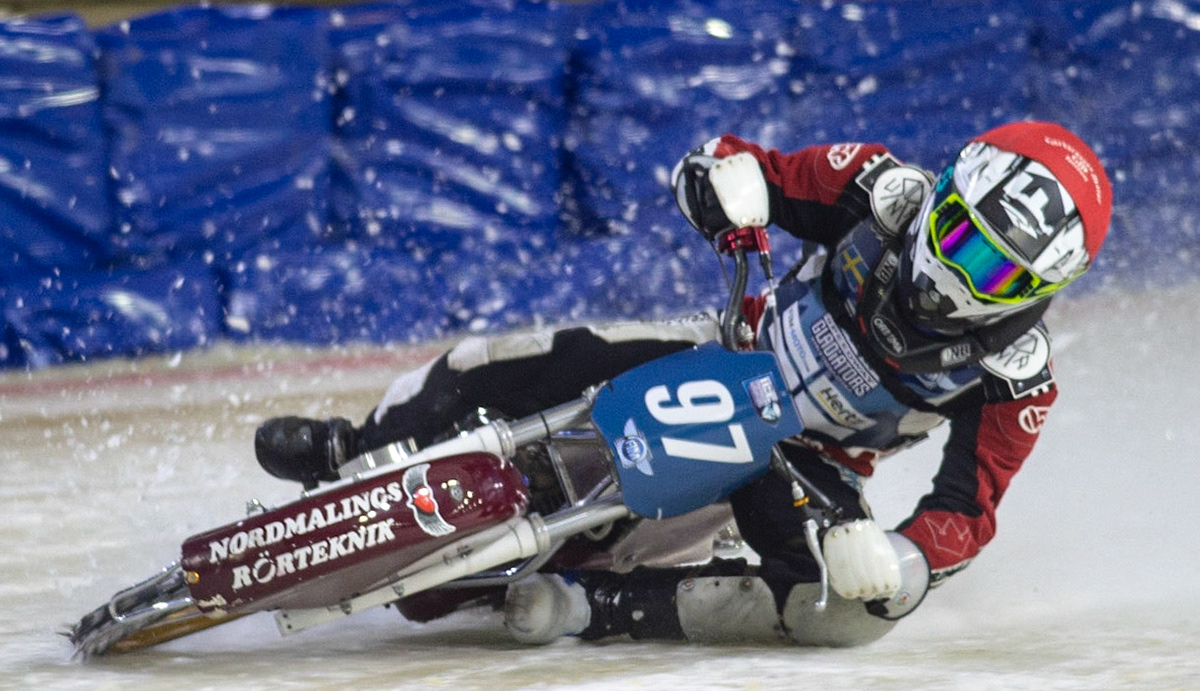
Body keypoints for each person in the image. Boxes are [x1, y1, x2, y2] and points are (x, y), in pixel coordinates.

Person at [255, 120, 1112, 647]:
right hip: (727, 346)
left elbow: (969, 510)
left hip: (804, 464)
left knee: (851, 617)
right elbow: (746, 168)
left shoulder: (1016, 378)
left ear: (1040, 291)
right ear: (947, 192)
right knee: (508, 359)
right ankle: (354, 447)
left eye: (994, 275)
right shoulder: (877, 188)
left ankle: (597, 606)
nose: (953, 275)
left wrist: (903, 555)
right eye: (958, 234)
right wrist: (720, 185)